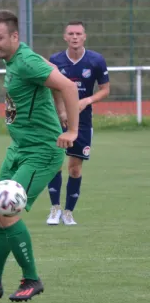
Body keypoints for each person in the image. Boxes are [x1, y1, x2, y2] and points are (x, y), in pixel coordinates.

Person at [0, 9, 79, 303]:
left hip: (40, 152)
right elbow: (51, 69)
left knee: (7, 212)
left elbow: (66, 84)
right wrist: (60, 111)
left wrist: (73, 130)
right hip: (18, 149)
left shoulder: (25, 61)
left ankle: (32, 279)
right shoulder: (18, 59)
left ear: (15, 36)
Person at [46, 20, 110, 226]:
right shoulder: (55, 60)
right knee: (55, 164)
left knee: (74, 169)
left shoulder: (96, 61)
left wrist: (86, 100)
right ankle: (54, 209)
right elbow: (53, 88)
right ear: (65, 37)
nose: (75, 37)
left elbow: (105, 89)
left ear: (84, 36)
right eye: (71, 33)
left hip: (83, 121)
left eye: (78, 33)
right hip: (57, 120)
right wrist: (62, 110)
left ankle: (68, 212)